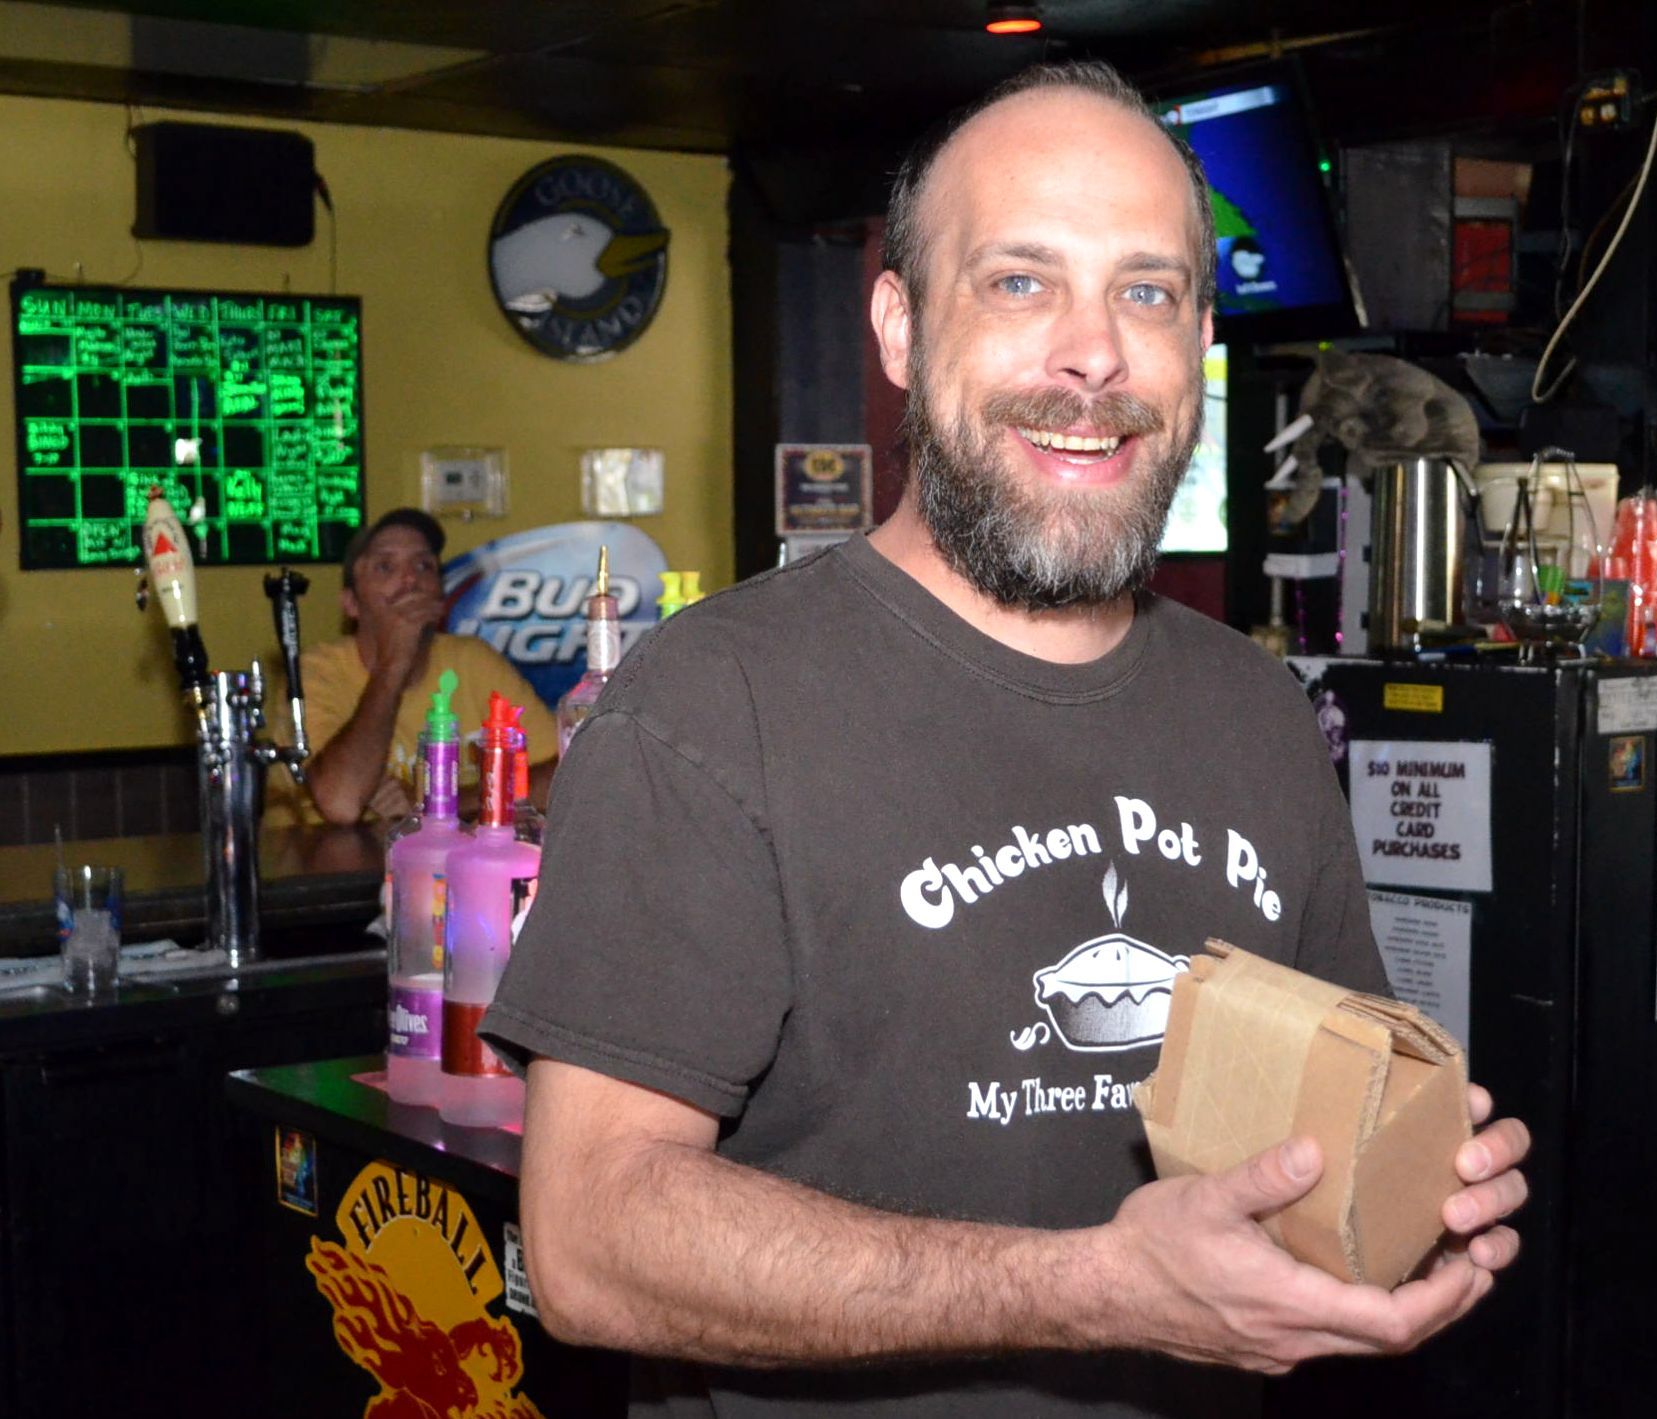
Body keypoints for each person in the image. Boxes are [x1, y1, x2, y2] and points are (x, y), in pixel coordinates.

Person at [481, 59, 1529, 1418]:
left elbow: (1329, 1133)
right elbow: (588, 1240)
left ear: (1199, 339)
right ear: (900, 327)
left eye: (1146, 292)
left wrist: (1413, 1209)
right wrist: (1092, 1285)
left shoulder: (1258, 710)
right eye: (1021, 282)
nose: (1093, 355)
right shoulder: (711, 702)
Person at [281, 507, 557, 826]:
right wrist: (393, 663)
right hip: (328, 857)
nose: (411, 579)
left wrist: (437, 802)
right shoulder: (316, 672)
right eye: (385, 567)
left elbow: (567, 773)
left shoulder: (473, 659)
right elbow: (342, 802)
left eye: (424, 565)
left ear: (440, 596)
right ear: (351, 604)